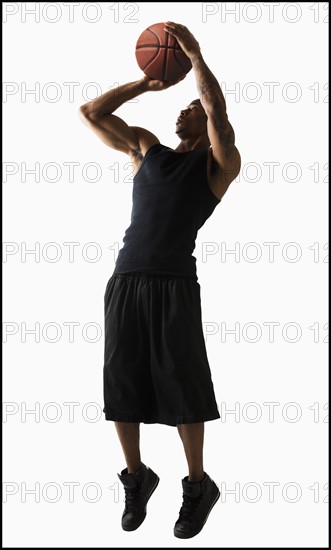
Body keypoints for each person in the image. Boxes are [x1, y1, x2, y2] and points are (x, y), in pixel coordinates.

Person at [79, 21, 241, 539]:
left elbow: (215, 109)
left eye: (189, 107)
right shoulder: (146, 150)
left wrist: (193, 56)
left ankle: (197, 485)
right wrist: (145, 85)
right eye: (183, 104)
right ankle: (136, 476)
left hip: (174, 283)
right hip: (126, 278)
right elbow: (91, 113)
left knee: (182, 382)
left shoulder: (219, 164)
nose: (184, 108)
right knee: (121, 378)